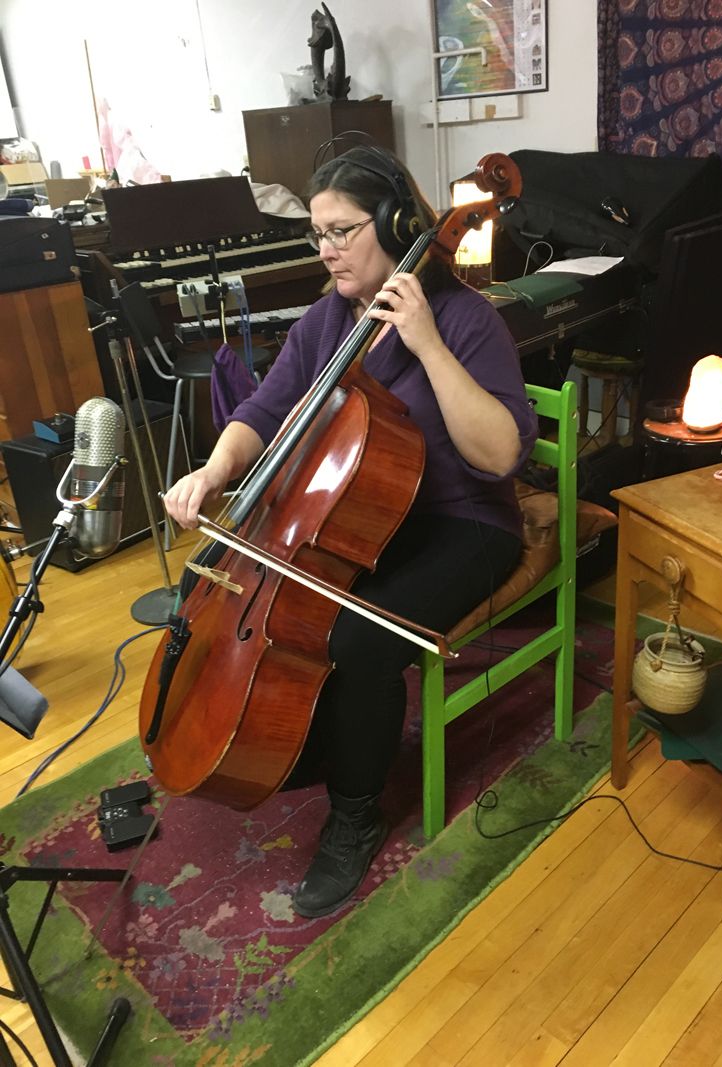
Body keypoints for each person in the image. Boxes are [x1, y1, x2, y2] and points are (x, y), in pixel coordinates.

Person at [163, 146, 538, 918]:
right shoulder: (328, 319)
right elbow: (264, 410)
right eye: (318, 234)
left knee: (357, 640)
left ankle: (356, 813)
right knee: (258, 600)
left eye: (342, 231)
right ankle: (306, 740)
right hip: (357, 520)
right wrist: (215, 469)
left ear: (397, 224)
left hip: (465, 522)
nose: (326, 249)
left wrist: (427, 343)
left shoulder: (466, 319)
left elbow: (500, 454)